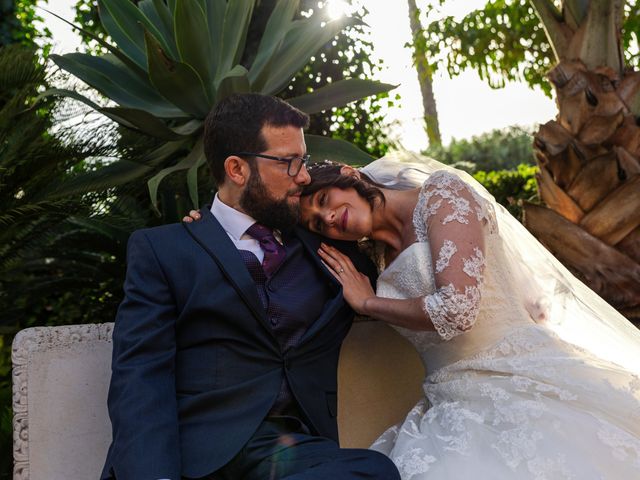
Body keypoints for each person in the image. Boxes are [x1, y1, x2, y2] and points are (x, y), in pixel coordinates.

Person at [101, 93, 400, 480]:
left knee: (374, 471)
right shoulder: (165, 249)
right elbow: (140, 373)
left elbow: (400, 250)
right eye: (289, 163)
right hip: (197, 456)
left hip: (296, 454)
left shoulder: (327, 246)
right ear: (237, 169)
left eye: (304, 161)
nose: (304, 176)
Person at [291, 154, 640, 479]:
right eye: (318, 224)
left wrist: (368, 304)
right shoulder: (375, 259)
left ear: (349, 175)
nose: (329, 219)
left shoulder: (440, 195)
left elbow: (458, 309)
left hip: (517, 374)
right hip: (450, 401)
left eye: (324, 202)